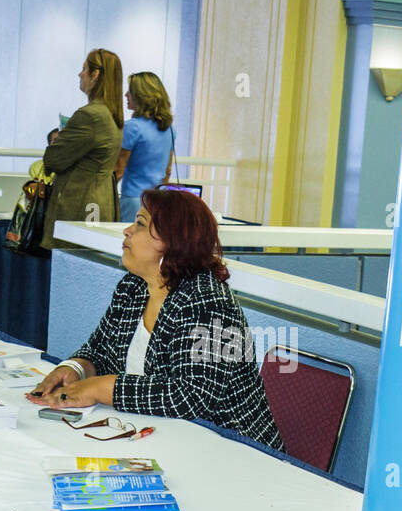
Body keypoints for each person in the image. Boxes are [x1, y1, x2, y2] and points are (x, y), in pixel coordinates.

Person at [29, 188, 284, 450]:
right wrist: (74, 369)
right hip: (162, 439)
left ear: (173, 240)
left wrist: (101, 388)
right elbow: (99, 349)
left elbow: (191, 396)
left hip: (233, 449)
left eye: (140, 224)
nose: (127, 230)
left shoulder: (211, 305)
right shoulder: (134, 287)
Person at [40, 48, 123, 249]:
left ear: (95, 75)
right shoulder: (111, 115)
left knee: (74, 269)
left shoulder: (90, 115)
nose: (80, 74)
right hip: (101, 202)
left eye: (84, 68)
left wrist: (61, 139)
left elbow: (52, 159)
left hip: (81, 205)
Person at [116, 72, 174, 223]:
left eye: (130, 91)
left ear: (141, 96)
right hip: (156, 201)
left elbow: (118, 171)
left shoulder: (132, 128)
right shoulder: (170, 129)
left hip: (133, 201)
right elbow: (167, 172)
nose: (126, 94)